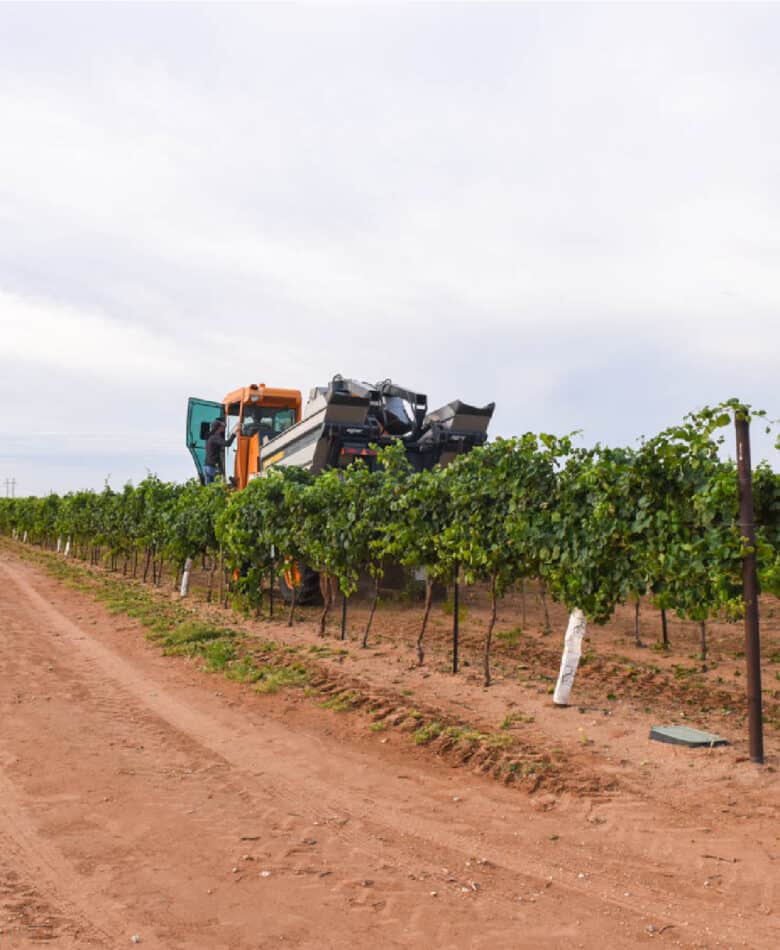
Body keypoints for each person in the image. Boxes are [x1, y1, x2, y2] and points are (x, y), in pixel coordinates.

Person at [204, 419, 236, 485]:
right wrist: (234, 434)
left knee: (209, 489)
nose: (223, 428)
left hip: (207, 466)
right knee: (217, 487)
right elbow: (227, 443)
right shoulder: (215, 437)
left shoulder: (210, 437)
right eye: (222, 426)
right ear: (218, 428)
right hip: (213, 467)